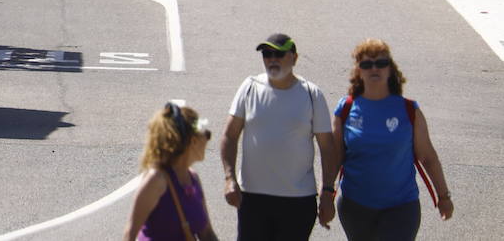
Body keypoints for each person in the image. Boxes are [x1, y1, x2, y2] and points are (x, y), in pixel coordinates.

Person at [221, 32, 337, 239]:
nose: (272, 59)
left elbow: (327, 148)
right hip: (252, 198)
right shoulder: (249, 88)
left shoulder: (311, 94)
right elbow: (230, 135)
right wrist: (230, 178)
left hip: (298, 201)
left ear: (294, 57)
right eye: (267, 54)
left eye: (279, 54)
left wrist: (328, 193)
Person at [333, 39, 452, 240]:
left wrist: (443, 196)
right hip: (355, 205)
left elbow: (428, 157)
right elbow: (334, 156)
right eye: (366, 64)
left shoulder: (408, 110)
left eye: (381, 63)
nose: (374, 69)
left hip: (401, 207)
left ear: (390, 69)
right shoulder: (346, 108)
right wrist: (327, 194)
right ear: (358, 71)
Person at [124, 101, 219, 240]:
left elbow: (207, 234)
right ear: (193, 140)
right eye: (207, 134)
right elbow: (129, 234)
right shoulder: (156, 180)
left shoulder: (193, 179)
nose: (208, 139)